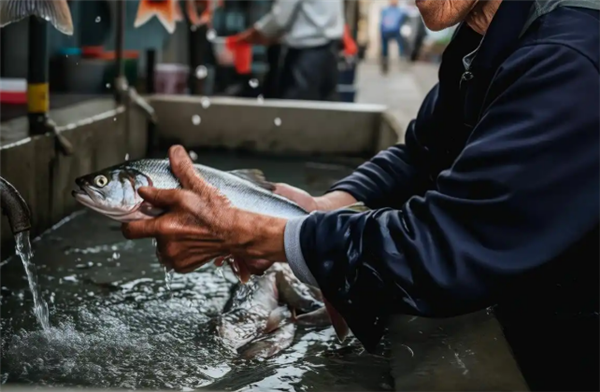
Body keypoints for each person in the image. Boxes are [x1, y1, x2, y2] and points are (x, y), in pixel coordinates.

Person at [121, 0, 600, 390]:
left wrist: (271, 235)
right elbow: (422, 154)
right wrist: (327, 206)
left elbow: (445, 244)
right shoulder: (482, 36)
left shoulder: (565, 57)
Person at [231, 0, 345, 101]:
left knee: (296, 114)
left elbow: (279, 20)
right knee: (323, 114)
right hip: (329, 54)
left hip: (305, 57)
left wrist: (245, 38)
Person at [379, 0, 408, 73]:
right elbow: (382, 21)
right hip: (386, 31)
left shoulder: (400, 11)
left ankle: (402, 58)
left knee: (401, 44)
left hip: (395, 30)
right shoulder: (386, 10)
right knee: (385, 47)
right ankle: (384, 60)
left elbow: (403, 19)